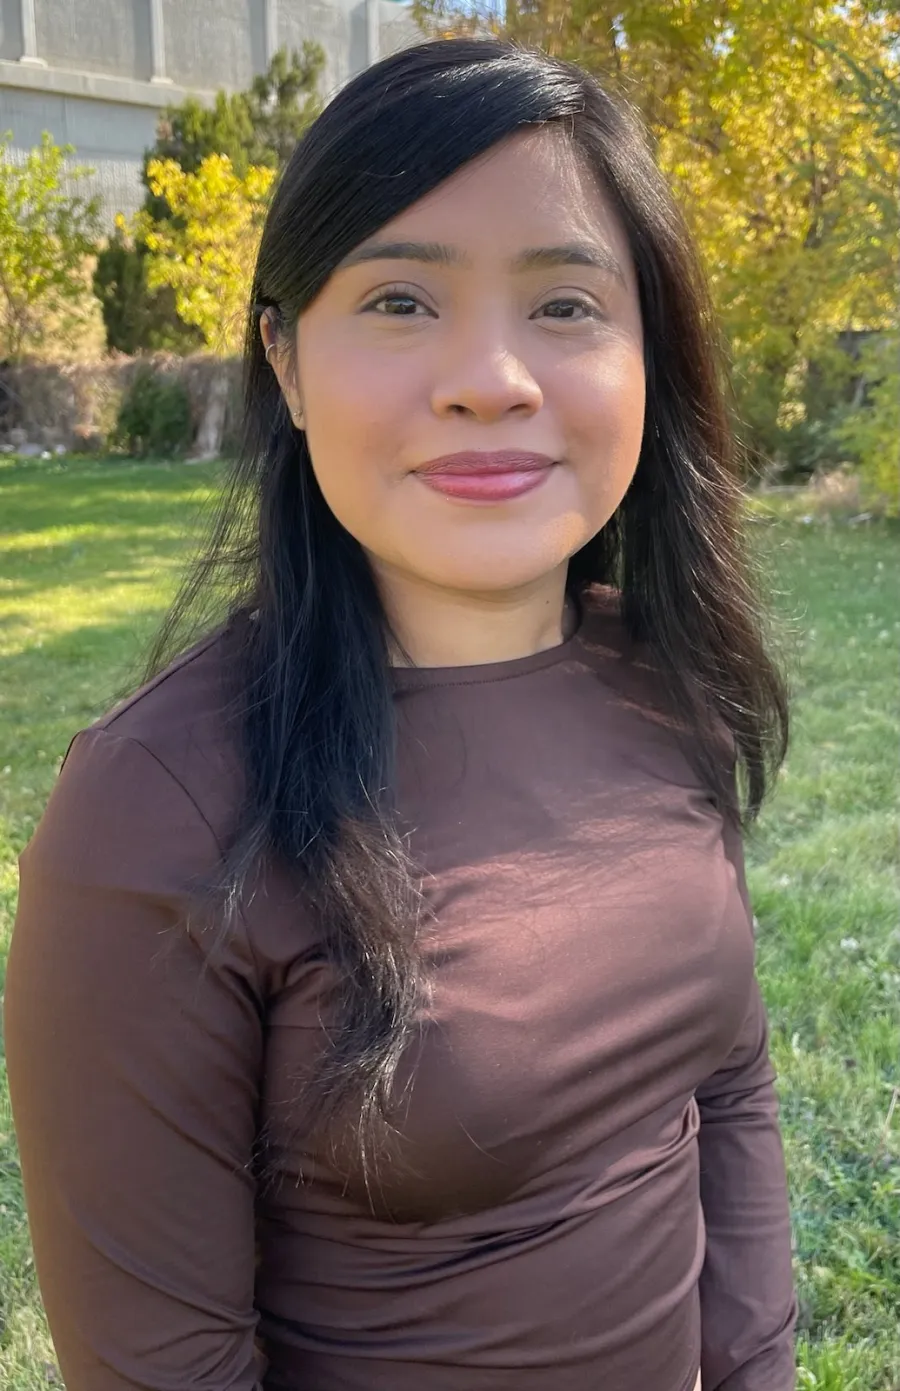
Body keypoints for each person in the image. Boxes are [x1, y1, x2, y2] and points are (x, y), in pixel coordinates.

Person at [4, 35, 798, 1391]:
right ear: (287, 360)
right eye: (397, 301)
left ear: (646, 355)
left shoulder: (663, 682)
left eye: (563, 305)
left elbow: (723, 1088)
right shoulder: (157, 805)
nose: (491, 375)